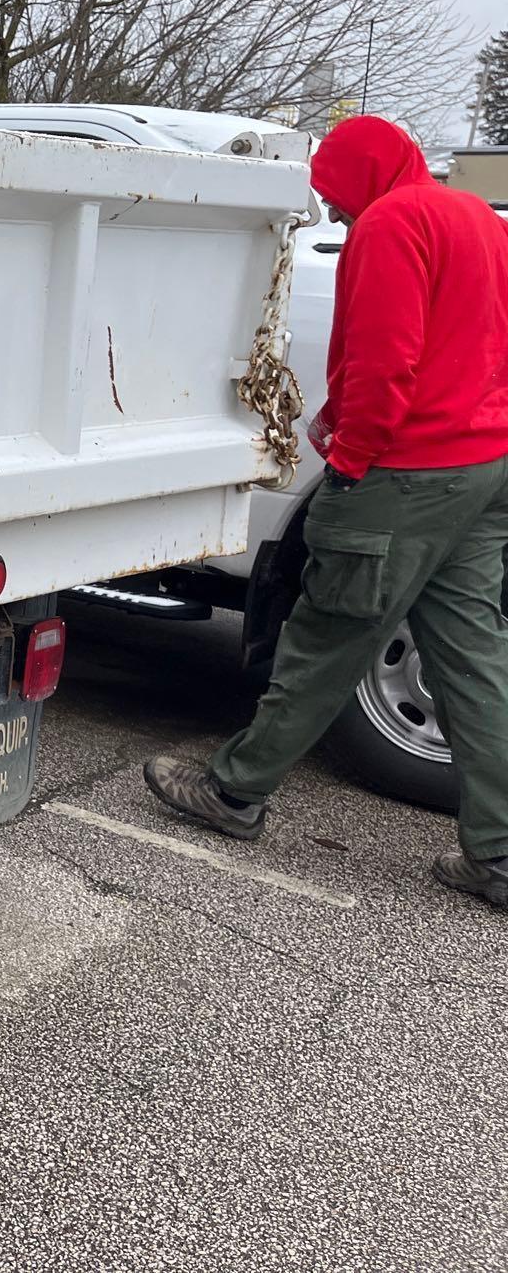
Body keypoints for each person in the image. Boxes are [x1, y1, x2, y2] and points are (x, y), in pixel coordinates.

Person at [143, 114, 508, 909]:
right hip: (484, 463)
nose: (337, 218)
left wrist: (350, 455)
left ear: (361, 183)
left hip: (407, 471)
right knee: (475, 656)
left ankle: (234, 794)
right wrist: (341, 408)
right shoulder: (474, 215)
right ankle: (501, 854)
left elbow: (387, 353)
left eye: (337, 204)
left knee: (325, 638)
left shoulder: (390, 223)